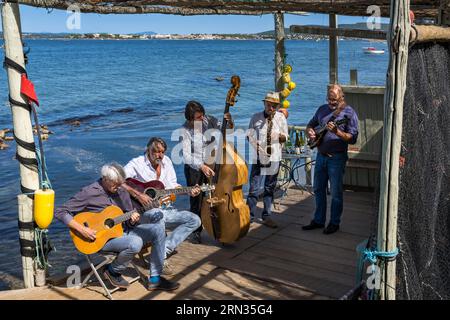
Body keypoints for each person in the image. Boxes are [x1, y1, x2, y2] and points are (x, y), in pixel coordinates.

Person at [55, 162, 179, 291]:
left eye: (120, 183)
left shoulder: (121, 190)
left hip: (122, 232)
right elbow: (60, 212)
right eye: (115, 183)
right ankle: (112, 270)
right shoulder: (89, 192)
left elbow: (127, 221)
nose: (119, 186)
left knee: (158, 229)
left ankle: (155, 279)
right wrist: (82, 229)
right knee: (135, 242)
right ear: (105, 179)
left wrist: (132, 219)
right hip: (99, 239)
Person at [122, 137, 202, 264]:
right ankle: (159, 260)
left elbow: (173, 186)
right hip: (143, 212)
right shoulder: (136, 164)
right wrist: (138, 195)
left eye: (162, 152)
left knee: (195, 220)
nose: (160, 155)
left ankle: (163, 250)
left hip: (166, 209)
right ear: (148, 150)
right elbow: (118, 181)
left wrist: (188, 191)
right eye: (156, 151)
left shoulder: (167, 162)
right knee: (158, 216)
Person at [302, 84, 359, 234]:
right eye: (329, 99)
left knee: (335, 193)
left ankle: (334, 223)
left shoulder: (349, 113)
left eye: (334, 100)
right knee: (318, 189)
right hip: (320, 156)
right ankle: (319, 220)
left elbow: (353, 138)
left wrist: (338, 132)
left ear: (342, 97)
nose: (331, 102)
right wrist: (309, 132)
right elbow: (311, 124)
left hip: (337, 158)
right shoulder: (322, 109)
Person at [181, 100, 234, 244]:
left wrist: (229, 122)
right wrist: (201, 166)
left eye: (202, 115)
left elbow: (226, 130)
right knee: (196, 200)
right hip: (195, 169)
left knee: (216, 196)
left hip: (212, 164)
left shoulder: (209, 119)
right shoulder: (184, 130)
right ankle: (196, 231)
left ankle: (219, 229)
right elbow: (186, 156)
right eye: (198, 118)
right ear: (190, 118)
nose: (201, 119)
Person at [246, 91, 288, 228]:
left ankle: (266, 216)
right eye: (269, 105)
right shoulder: (255, 117)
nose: (271, 108)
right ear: (264, 103)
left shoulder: (281, 118)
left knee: (269, 188)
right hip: (258, 156)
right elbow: (249, 135)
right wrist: (255, 144)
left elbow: (285, 138)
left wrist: (278, 136)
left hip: (274, 157)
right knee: (253, 188)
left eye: (274, 106)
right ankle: (249, 216)